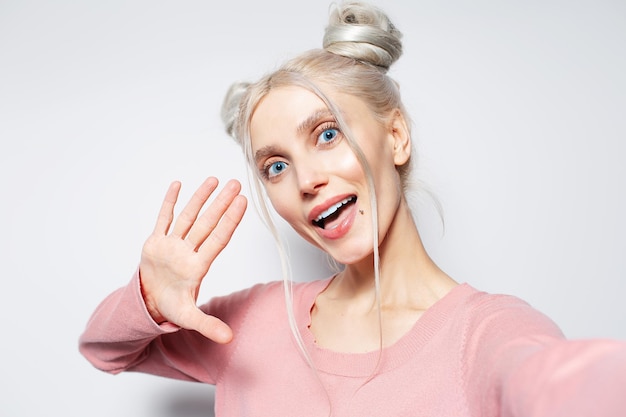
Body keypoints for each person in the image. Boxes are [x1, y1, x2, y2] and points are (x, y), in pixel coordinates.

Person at [79, 2, 626, 416]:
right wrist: (149, 298)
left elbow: (554, 382)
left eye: (327, 133)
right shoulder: (251, 324)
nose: (307, 180)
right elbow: (106, 352)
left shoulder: (486, 333)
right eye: (276, 166)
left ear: (396, 136)